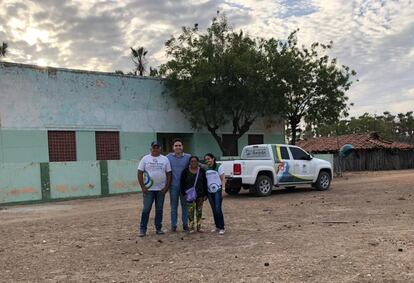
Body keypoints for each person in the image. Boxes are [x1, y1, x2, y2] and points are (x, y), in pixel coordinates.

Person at [137, 141, 172, 237]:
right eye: (154, 147)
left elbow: (169, 174)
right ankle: (142, 229)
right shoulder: (145, 159)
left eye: (157, 147)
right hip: (148, 190)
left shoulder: (165, 159)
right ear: (151, 148)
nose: (155, 149)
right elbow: (140, 172)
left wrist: (166, 187)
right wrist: (143, 187)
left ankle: (158, 228)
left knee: (159, 210)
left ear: (160, 148)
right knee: (146, 209)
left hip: (161, 190)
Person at [166, 138, 191, 232]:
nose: (178, 147)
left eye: (179, 145)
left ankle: (185, 224)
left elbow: (196, 165)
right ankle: (173, 225)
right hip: (173, 186)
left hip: (184, 186)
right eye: (176, 145)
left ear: (182, 146)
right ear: (173, 147)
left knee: (185, 206)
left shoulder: (188, 157)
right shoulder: (168, 157)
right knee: (173, 206)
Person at [180, 156, 208, 233]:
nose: (193, 163)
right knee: (190, 212)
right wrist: (184, 193)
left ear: (198, 162)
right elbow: (182, 183)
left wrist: (206, 194)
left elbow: (205, 183)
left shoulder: (202, 171)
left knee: (199, 212)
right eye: (192, 161)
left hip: (200, 194)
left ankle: (199, 227)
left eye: (195, 161)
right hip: (189, 195)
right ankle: (191, 228)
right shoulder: (185, 171)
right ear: (189, 162)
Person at [204, 153, 226, 235]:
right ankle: (217, 226)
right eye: (206, 159)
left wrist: (223, 189)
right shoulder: (206, 169)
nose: (207, 161)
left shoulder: (219, 167)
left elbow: (223, 178)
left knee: (218, 209)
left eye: (209, 159)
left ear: (213, 158)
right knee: (213, 209)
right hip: (210, 191)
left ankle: (222, 227)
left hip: (218, 190)